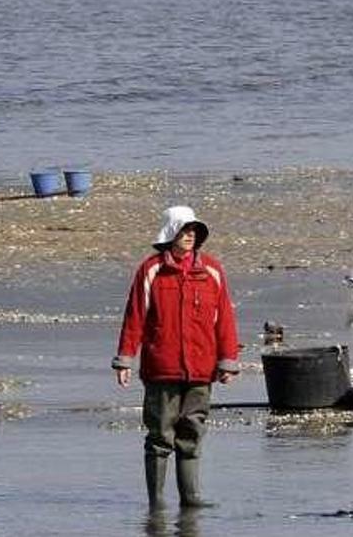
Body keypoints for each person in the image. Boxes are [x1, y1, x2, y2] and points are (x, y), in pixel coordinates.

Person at [113, 205, 240, 510]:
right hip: (162, 369)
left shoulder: (212, 270)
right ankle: (156, 503)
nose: (189, 236)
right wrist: (125, 359)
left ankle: (190, 499)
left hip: (201, 370)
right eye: (184, 230)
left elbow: (224, 319)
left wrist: (228, 362)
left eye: (193, 231)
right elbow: (135, 317)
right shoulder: (151, 270)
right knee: (160, 436)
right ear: (170, 233)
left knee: (192, 432)